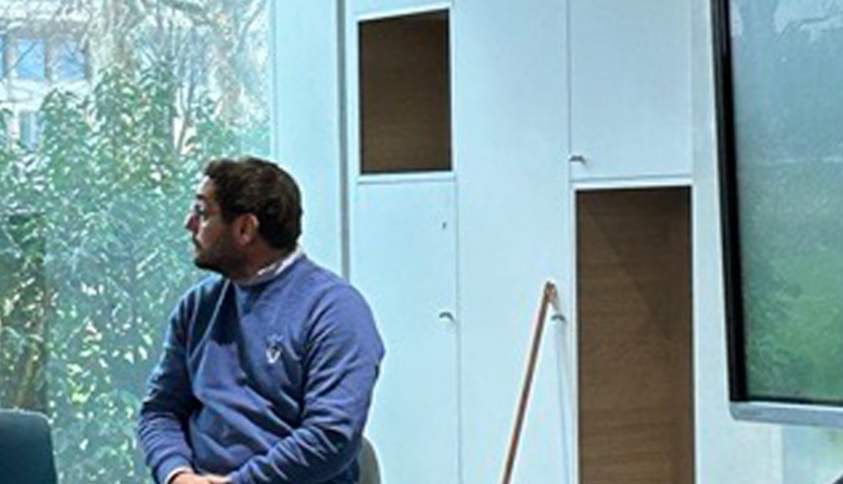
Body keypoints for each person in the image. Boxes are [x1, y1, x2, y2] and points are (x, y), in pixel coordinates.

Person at [138, 157, 384, 484]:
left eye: (202, 213)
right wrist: (177, 474)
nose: (189, 223)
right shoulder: (198, 306)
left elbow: (330, 436)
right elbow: (160, 411)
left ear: (245, 229)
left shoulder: (335, 310)